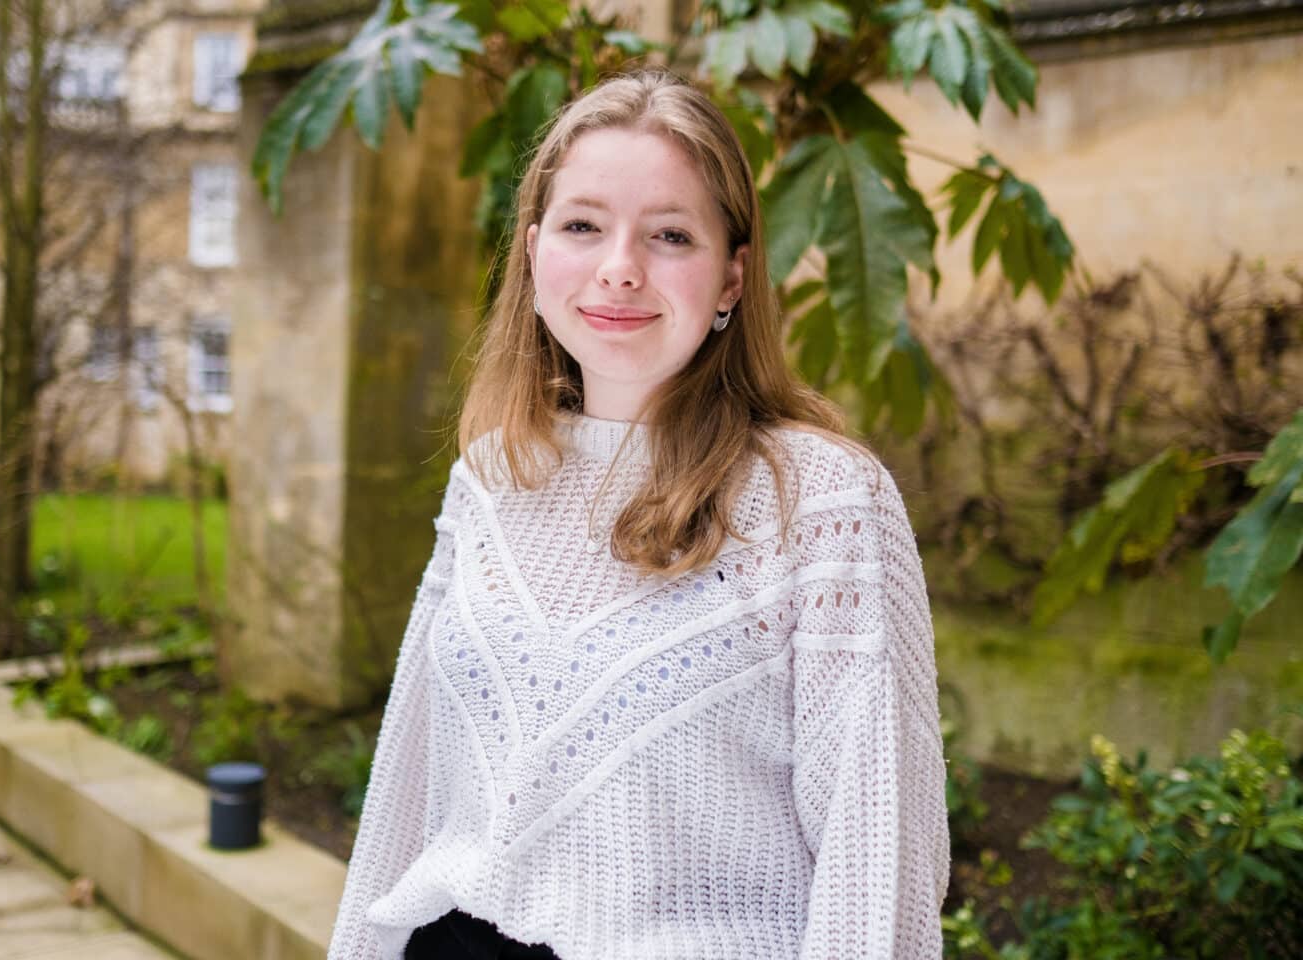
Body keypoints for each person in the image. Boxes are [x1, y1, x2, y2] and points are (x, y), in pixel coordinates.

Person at [326, 69, 949, 960]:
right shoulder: (492, 475)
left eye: (669, 234)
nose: (620, 267)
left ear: (732, 275)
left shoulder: (822, 501)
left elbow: (874, 866)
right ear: (536, 253)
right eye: (584, 226)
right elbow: (409, 789)